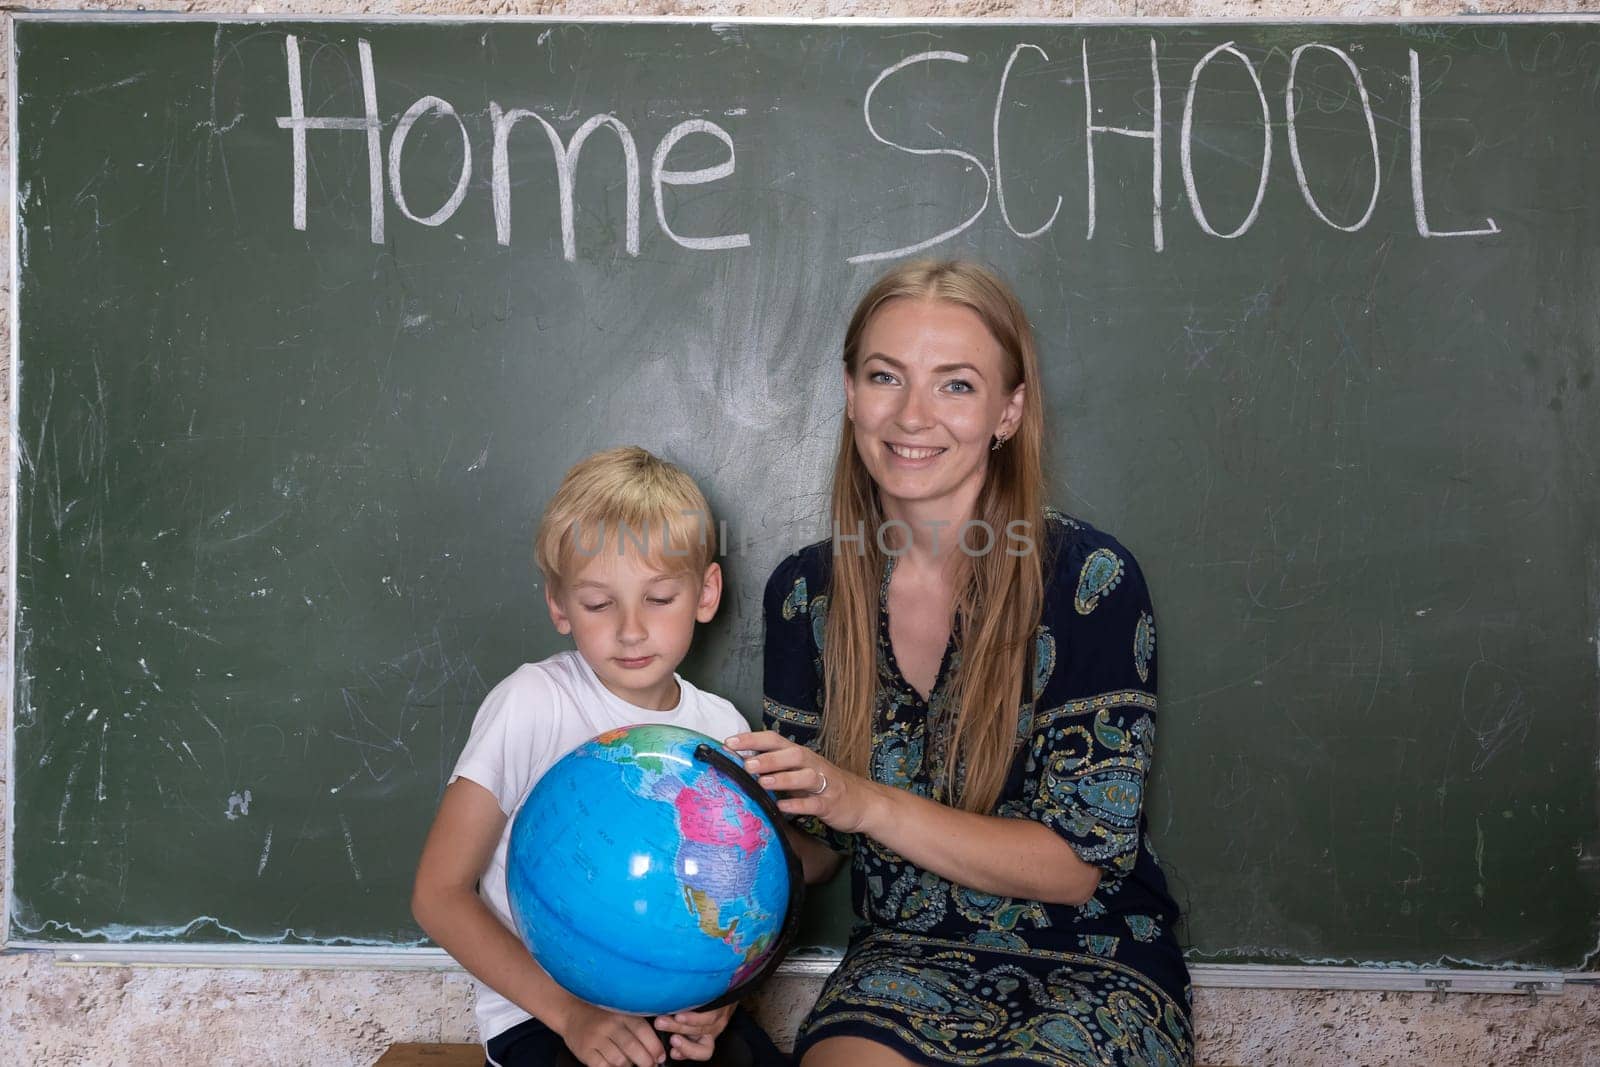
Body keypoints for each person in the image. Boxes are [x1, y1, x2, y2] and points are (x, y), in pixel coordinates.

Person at [726, 260, 1193, 1066]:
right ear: (849, 390)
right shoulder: (805, 592)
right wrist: (698, 840)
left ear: (1008, 411)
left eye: (956, 385)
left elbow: (1075, 868)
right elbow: (816, 845)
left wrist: (861, 800)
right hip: (900, 962)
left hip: (1091, 965)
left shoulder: (1089, 581)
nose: (912, 415)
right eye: (885, 376)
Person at [413, 446, 786, 1067]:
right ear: (559, 606)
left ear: (706, 592)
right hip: (544, 1015)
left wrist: (724, 1002)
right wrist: (572, 1015)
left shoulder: (721, 730)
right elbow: (438, 892)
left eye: (659, 598)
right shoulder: (532, 703)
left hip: (678, 1009)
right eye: (597, 603)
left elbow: (749, 899)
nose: (631, 629)